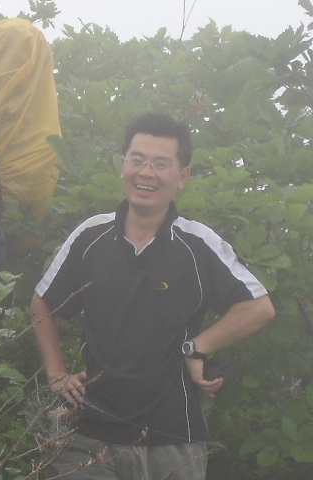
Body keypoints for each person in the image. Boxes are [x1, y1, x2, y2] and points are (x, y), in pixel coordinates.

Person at [31, 112, 276, 479]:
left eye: (161, 164)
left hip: (172, 439)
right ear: (122, 165)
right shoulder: (90, 236)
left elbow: (258, 307)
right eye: (138, 160)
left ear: (182, 177)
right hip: (88, 434)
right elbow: (43, 302)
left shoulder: (196, 243)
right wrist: (56, 373)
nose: (146, 173)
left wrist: (197, 348)